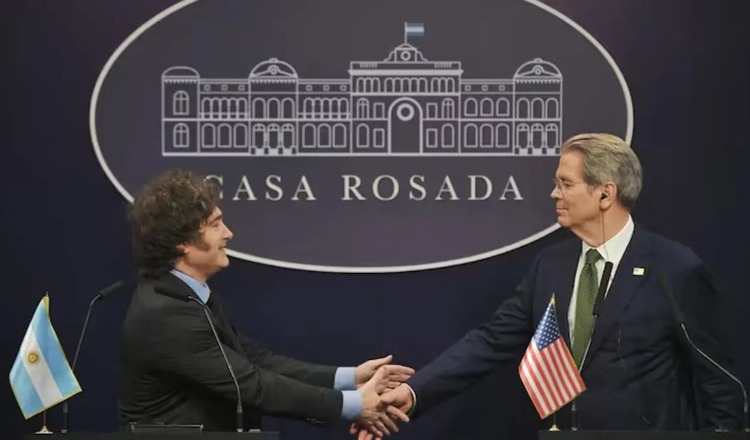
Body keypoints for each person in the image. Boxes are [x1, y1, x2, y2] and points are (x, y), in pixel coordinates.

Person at [354, 133, 741, 437]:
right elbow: (491, 341)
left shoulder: (673, 269)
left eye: (565, 184)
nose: (555, 194)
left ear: (605, 193)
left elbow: (719, 381)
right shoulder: (551, 265)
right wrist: (414, 392)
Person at [118, 169, 412, 434]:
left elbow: (257, 361)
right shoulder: (166, 314)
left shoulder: (187, 297)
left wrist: (350, 378)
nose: (228, 233)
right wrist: (353, 404)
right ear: (182, 242)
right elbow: (251, 384)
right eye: (216, 224)